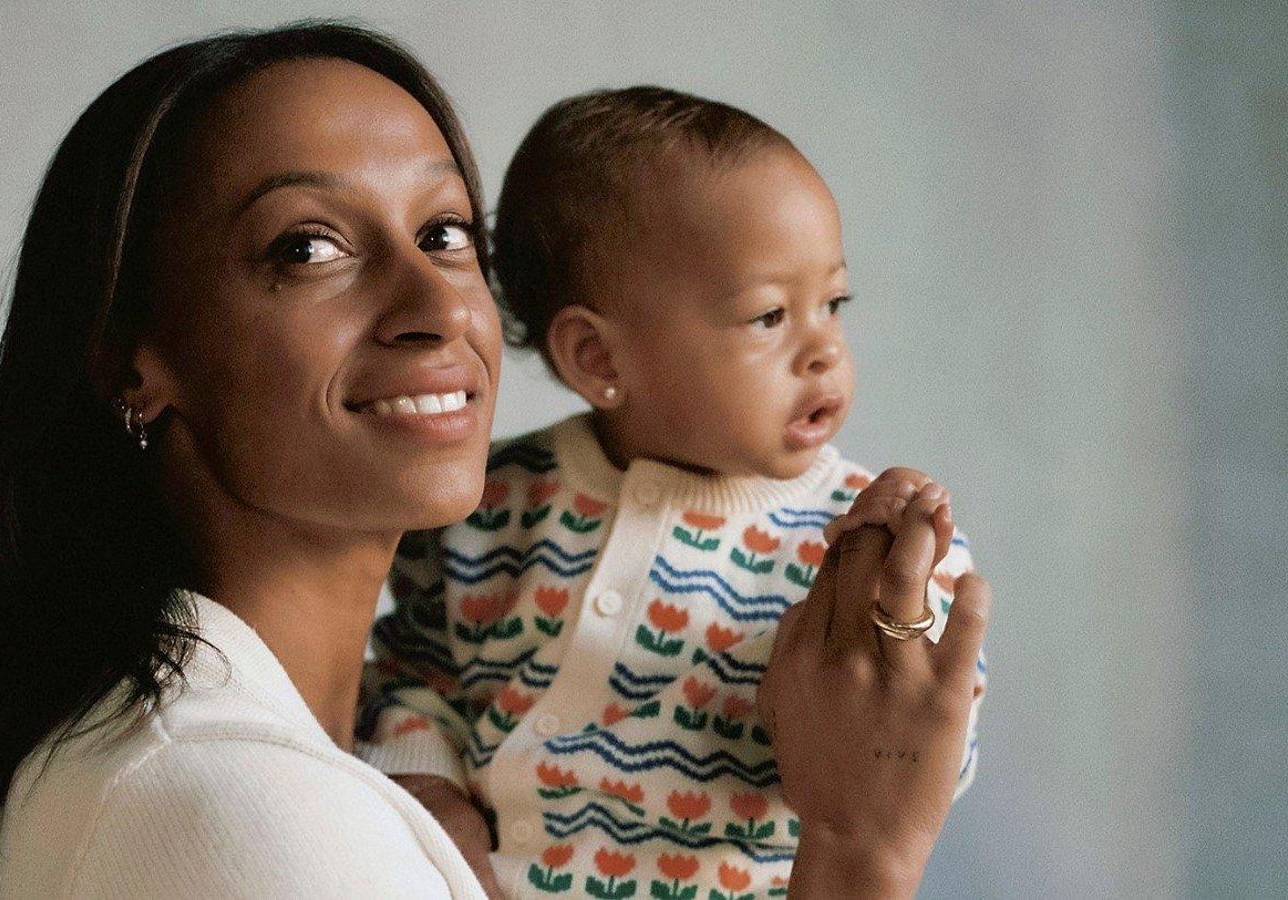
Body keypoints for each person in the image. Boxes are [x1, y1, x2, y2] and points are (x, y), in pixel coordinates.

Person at [0, 23, 504, 897]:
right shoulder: (243, 803)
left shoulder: (181, 754)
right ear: (130, 363)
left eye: (445, 232)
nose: (438, 307)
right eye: (307, 247)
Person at [360, 87, 988, 897]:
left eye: (832, 303)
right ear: (598, 360)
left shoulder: (860, 548)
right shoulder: (490, 504)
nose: (824, 350)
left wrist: (897, 606)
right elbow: (415, 674)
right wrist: (432, 790)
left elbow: (928, 761)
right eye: (768, 317)